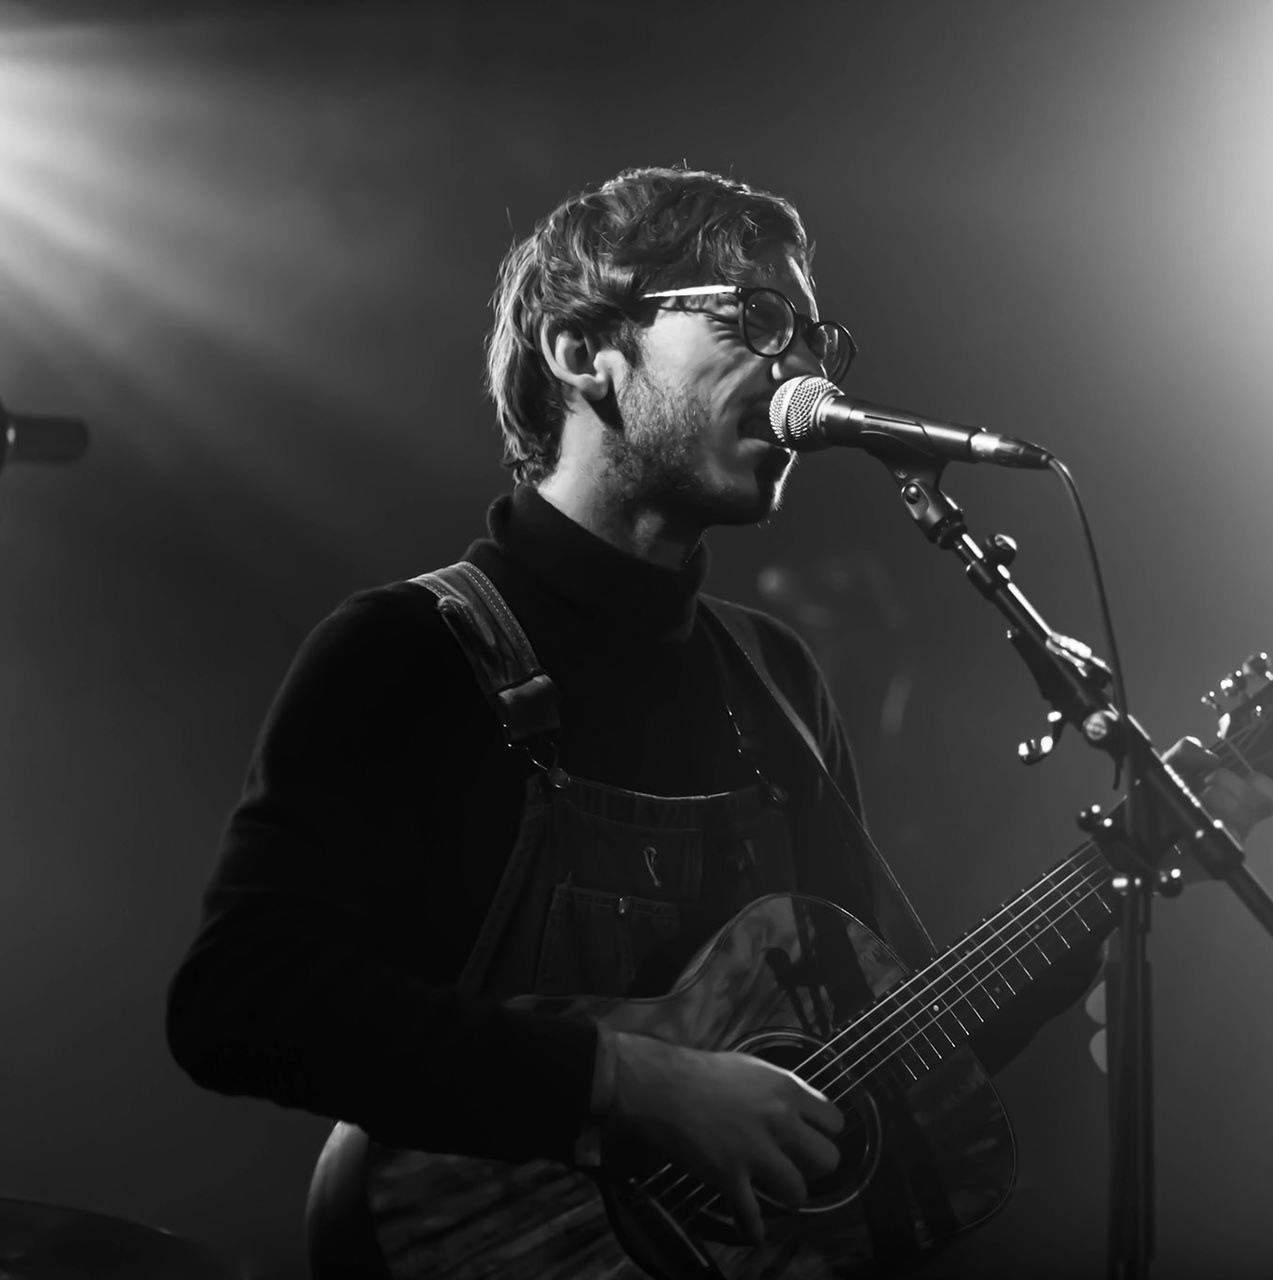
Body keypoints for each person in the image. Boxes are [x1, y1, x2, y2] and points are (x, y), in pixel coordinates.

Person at [165, 166, 1121, 1275]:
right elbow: (239, 999)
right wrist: (628, 1082)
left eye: (813, 336)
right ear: (583, 352)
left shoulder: (775, 677)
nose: (800, 369)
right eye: (755, 317)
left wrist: (1106, 893)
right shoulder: (406, 647)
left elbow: (887, 1049)